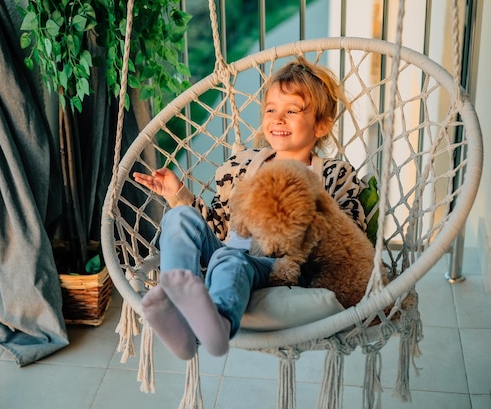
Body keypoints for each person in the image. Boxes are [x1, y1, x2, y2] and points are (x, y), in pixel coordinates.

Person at [132, 56, 367, 360]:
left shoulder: (334, 175)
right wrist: (178, 194)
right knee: (179, 217)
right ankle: (176, 294)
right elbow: (217, 226)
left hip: (280, 266)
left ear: (321, 126)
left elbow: (348, 236)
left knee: (231, 259)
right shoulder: (241, 166)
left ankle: (219, 321)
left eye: (292, 111)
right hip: (227, 247)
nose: (278, 119)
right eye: (271, 110)